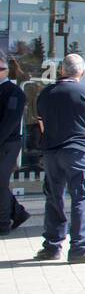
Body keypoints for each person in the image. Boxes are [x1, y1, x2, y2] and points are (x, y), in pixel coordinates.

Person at [34, 53, 85, 263]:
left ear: (62, 71)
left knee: (53, 198)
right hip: (78, 153)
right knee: (83, 198)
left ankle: (51, 247)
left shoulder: (45, 93)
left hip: (51, 153)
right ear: (82, 72)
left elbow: (42, 126)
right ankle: (80, 249)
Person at [0, 54, 30, 234]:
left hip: (8, 144)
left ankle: (3, 223)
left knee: (1, 183)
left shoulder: (13, 92)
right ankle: (18, 213)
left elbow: (9, 122)